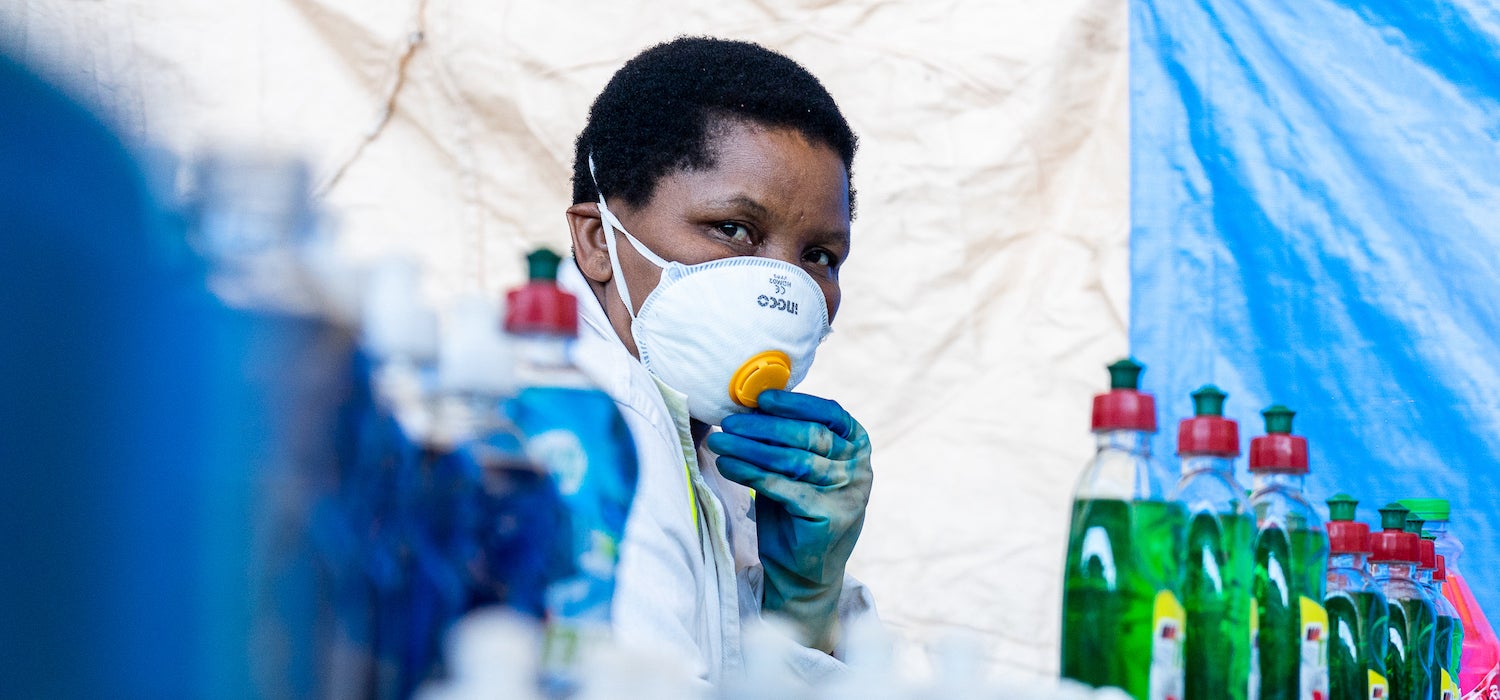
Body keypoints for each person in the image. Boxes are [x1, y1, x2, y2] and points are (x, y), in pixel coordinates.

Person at [558, 36, 877, 684]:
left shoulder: (701, 436)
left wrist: (802, 604)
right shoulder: (596, 430)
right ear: (598, 241)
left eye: (820, 256)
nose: (782, 289)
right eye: (733, 229)